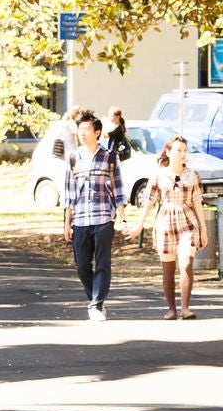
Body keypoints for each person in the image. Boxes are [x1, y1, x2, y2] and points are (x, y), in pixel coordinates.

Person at [133, 136, 206, 320]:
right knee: (168, 267)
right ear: (168, 152)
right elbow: (149, 203)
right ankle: (171, 309)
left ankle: (185, 308)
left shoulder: (193, 175)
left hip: (187, 220)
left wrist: (204, 230)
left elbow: (198, 204)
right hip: (165, 222)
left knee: (186, 261)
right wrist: (138, 225)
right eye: (178, 150)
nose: (182, 154)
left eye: (185, 150)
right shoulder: (158, 176)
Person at [63, 108, 126, 323]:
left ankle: (96, 304)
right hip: (80, 219)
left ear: (97, 132)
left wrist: (122, 216)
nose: (83, 133)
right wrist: (66, 223)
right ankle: (95, 300)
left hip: (103, 217)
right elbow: (69, 192)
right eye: (80, 129)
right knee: (82, 266)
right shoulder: (73, 158)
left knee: (102, 263)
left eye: (87, 129)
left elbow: (118, 189)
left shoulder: (109, 157)